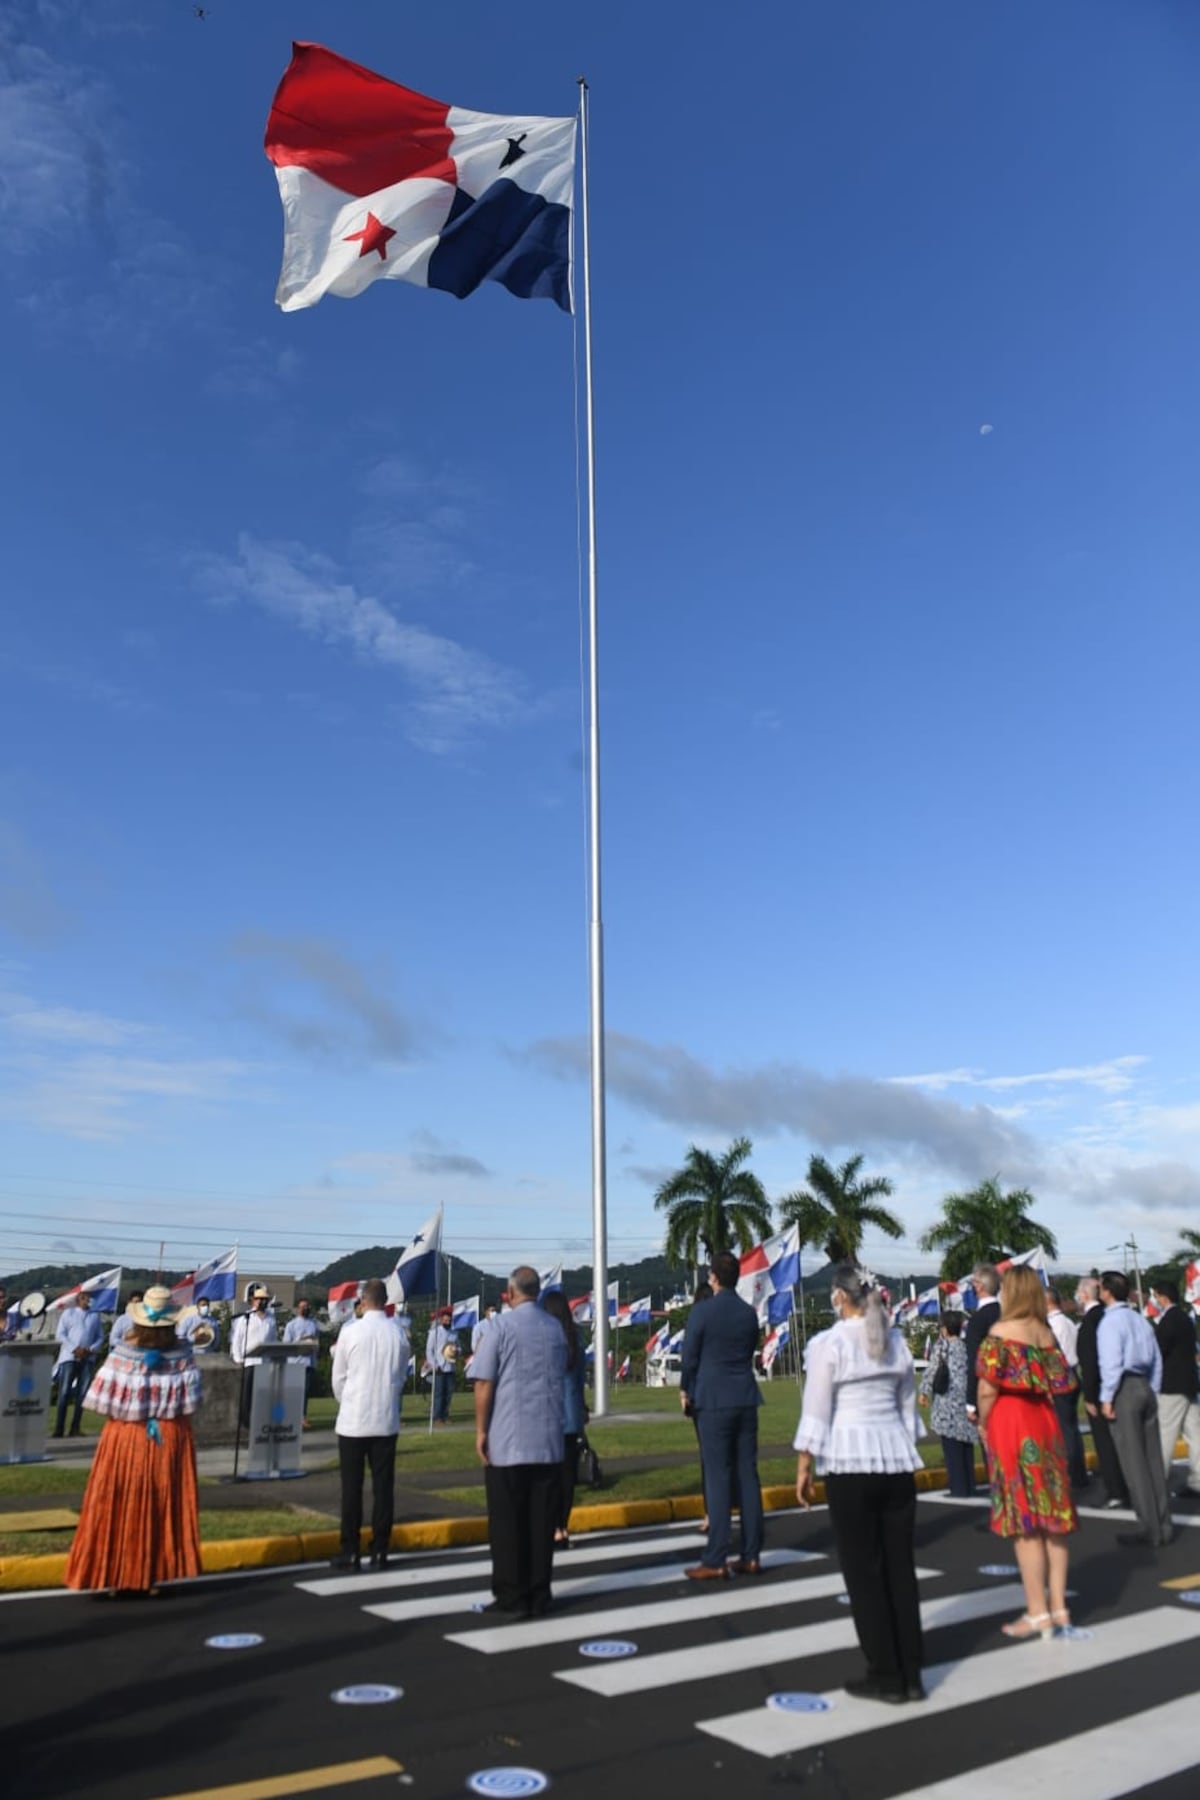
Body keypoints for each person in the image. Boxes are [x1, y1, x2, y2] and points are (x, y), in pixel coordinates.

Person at [795, 1263, 925, 1704]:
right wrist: (906, 1441)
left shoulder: (828, 1344)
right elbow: (908, 1407)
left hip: (849, 1462)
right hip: (895, 1458)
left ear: (838, 1297)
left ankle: (885, 1671)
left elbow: (816, 1407)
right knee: (900, 1570)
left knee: (864, 1574)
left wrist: (804, 1461)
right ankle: (911, 1671)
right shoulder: (895, 1342)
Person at [64, 1286, 202, 1595]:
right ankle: (151, 1573)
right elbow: (192, 1402)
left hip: (125, 1436)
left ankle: (114, 1573)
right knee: (159, 1506)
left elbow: (101, 1401)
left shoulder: (122, 1354)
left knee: (117, 1502)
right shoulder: (183, 1355)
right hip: (169, 1435)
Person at [975, 1265, 1078, 1637]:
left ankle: (1037, 1611)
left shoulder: (1000, 1333)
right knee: (1053, 1519)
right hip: (1043, 1421)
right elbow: (1062, 1383)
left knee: (1025, 1521)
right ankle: (1060, 1607)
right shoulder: (1046, 1334)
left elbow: (987, 1389)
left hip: (1010, 1422)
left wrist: (984, 1422)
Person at [471, 1265, 567, 1617]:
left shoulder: (499, 1327)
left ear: (510, 1293)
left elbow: (483, 1382)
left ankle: (512, 1595)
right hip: (548, 1440)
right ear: (537, 1292)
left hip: (508, 1439)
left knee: (508, 1523)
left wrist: (481, 1431)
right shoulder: (555, 1328)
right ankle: (539, 1592)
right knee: (541, 1524)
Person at [681, 1250, 764, 1582]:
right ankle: (751, 1553)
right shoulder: (748, 1314)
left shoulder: (702, 1312)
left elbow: (690, 1358)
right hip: (744, 1395)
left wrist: (686, 1389)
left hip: (713, 1399)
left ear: (713, 1277)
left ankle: (716, 1556)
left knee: (717, 1477)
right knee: (748, 1476)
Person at [330, 1277, 408, 1571]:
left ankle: (350, 1549)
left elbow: (338, 1377)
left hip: (353, 1419)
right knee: (383, 1488)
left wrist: (347, 1400)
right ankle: (380, 1548)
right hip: (385, 1419)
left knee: (352, 1489)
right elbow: (400, 1376)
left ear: (363, 1301)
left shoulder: (351, 1332)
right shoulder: (398, 1334)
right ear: (385, 1301)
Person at [1098, 1270, 1172, 1548]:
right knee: (1153, 1459)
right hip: (1145, 1385)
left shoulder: (1110, 1322)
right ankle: (1163, 1524)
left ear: (1106, 1291)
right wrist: (1153, 1388)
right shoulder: (1139, 1319)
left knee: (1134, 1462)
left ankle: (1149, 1527)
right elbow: (1156, 1359)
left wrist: (1107, 1398)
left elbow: (1112, 1363)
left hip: (1125, 1388)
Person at [1076, 1275, 1129, 1509]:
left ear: (1085, 1294)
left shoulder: (1092, 1320)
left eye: (1078, 1292)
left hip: (1099, 1389)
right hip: (1119, 1385)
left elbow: (1089, 1361)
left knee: (1105, 1444)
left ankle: (1115, 1490)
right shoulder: (1110, 1315)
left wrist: (1089, 1395)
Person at [540, 1289, 588, 1545]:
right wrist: (583, 1407)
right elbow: (580, 1380)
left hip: (547, 1413)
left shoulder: (545, 1338)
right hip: (570, 1413)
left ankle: (549, 1526)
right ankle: (562, 1527)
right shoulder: (575, 1338)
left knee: (549, 1475)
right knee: (568, 1475)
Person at [1151, 1280, 1200, 1498]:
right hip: (1190, 1382)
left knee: (1165, 1434)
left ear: (1163, 1297)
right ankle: (1197, 1479)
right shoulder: (1185, 1319)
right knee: (1195, 1434)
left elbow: (1159, 1353)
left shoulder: (1168, 1321)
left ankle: (1156, 1481)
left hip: (1171, 1385)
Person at [919, 1313, 978, 1496]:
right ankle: (969, 1485)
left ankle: (958, 1487)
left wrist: (923, 1391)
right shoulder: (966, 1346)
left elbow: (932, 1370)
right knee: (965, 1444)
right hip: (966, 1399)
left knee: (951, 1447)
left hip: (946, 1401)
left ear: (944, 1329)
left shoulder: (941, 1346)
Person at [1046, 1286, 1088, 1489]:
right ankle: (1077, 1471)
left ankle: (1072, 1471)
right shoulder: (1069, 1322)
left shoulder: (1054, 1325)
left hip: (1061, 1376)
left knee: (1064, 1428)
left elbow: (1053, 1355)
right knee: (1071, 1427)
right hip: (1073, 1373)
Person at [682, 1280, 715, 1532]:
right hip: (731, 1395)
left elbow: (689, 1359)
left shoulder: (697, 1320)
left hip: (702, 1396)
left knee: (709, 1458)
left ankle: (711, 1515)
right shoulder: (727, 1318)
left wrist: (685, 1392)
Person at [52, 1290, 106, 1438]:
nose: (86, 1301)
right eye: (83, 1298)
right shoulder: (68, 1314)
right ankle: (59, 1428)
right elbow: (61, 1334)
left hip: (87, 1358)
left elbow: (100, 1336)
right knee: (64, 1393)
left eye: (88, 1299)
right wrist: (74, 1348)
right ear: (78, 1300)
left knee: (82, 1394)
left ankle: (75, 1427)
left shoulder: (94, 1316)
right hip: (69, 1357)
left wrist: (91, 1349)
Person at [963, 1263, 1001, 1432]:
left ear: (980, 1286)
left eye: (974, 1282)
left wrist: (971, 1402)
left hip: (987, 1392)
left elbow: (974, 1361)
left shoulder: (978, 1320)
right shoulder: (1008, 1313)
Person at [283, 1297, 321, 1429]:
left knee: (305, 1392)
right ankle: (291, 1416)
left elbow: (317, 1342)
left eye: (307, 1306)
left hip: (309, 1363)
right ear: (298, 1309)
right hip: (295, 1362)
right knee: (295, 1391)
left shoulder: (314, 1323)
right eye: (303, 1306)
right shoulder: (291, 1325)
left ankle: (302, 1417)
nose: (306, 1308)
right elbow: (287, 1344)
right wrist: (302, 1340)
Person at [425, 1308, 459, 1423]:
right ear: (441, 1320)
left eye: (449, 1320)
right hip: (438, 1366)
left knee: (449, 1393)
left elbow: (459, 1347)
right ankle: (437, 1417)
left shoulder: (454, 1333)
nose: (447, 1321)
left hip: (450, 1366)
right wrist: (434, 1365)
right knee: (439, 1393)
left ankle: (445, 1415)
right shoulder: (434, 1332)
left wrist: (457, 1351)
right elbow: (429, 1350)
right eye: (445, 1320)